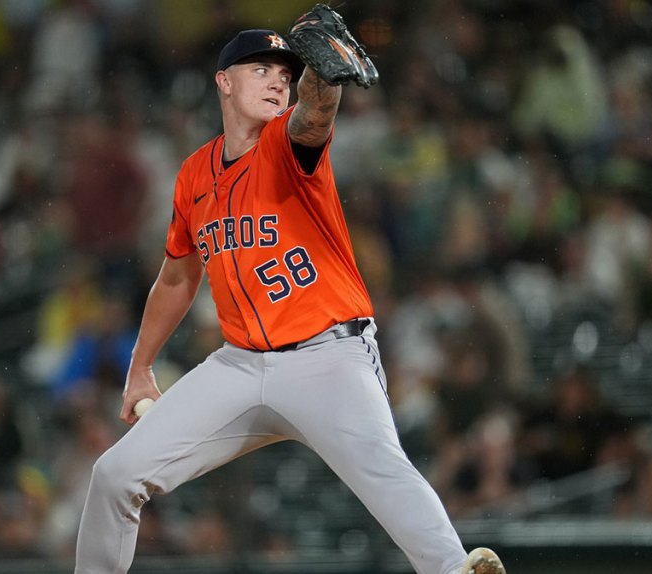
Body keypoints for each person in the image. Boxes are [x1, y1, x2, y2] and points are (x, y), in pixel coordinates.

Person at [74, 16, 506, 574]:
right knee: (113, 477)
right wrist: (140, 369)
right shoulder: (192, 176)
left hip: (328, 359)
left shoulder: (286, 145)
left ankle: (454, 569)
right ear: (223, 82)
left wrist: (325, 81)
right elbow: (178, 277)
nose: (278, 80)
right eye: (262, 70)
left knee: (385, 471)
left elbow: (314, 115)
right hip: (238, 365)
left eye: (287, 71)